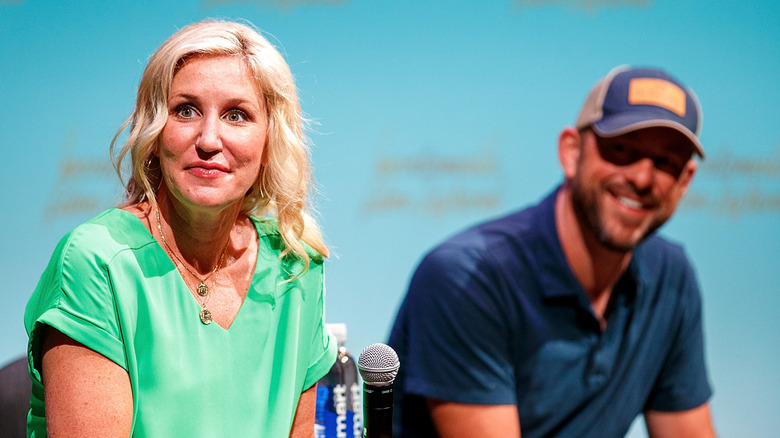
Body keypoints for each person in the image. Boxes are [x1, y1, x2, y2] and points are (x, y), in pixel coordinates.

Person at [24, 19, 337, 437]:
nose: (209, 139)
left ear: (270, 142)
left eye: (237, 115)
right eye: (185, 110)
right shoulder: (97, 261)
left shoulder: (295, 265)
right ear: (154, 132)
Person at [388, 66, 716, 437]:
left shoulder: (671, 276)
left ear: (684, 181)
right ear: (571, 152)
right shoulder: (468, 276)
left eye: (665, 163)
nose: (642, 178)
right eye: (622, 150)